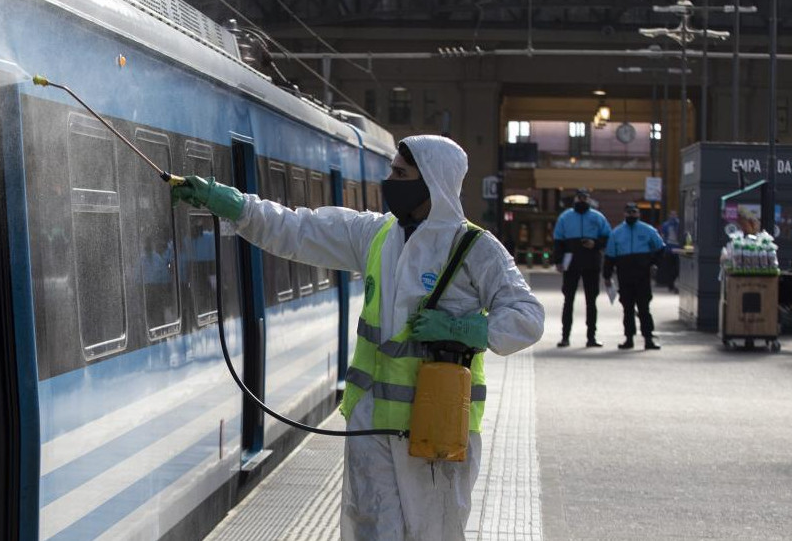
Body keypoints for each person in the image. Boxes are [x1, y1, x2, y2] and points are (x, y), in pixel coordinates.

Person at [172, 135, 544, 540]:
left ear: (433, 181)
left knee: (433, 534)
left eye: (400, 173)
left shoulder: (476, 249)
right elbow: (298, 229)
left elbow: (528, 317)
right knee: (369, 531)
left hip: (437, 435)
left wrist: (465, 329)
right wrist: (231, 204)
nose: (390, 180)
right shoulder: (377, 235)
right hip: (370, 430)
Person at [552, 189, 611, 348]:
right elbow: (558, 241)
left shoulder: (598, 217)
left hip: (591, 262)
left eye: (585, 197)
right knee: (568, 300)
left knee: (591, 301)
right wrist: (558, 261)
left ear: (589, 199)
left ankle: (591, 337)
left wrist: (595, 244)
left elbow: (607, 238)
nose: (582, 200)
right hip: (571, 263)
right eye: (580, 197)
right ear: (575, 199)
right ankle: (565, 337)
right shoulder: (565, 217)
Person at [604, 203, 665, 350]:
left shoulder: (648, 230)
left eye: (634, 212)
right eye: (629, 212)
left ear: (638, 214)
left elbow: (660, 248)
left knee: (644, 308)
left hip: (642, 275)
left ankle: (648, 339)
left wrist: (652, 263)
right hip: (624, 274)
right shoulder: (616, 233)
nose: (631, 215)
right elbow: (610, 256)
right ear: (624, 214)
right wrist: (607, 275)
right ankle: (629, 339)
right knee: (628, 309)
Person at [658, 210, 681, 292]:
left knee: (676, 268)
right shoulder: (666, 225)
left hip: (677, 248)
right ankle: (670, 284)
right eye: (672, 214)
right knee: (670, 267)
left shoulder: (679, 224)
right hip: (669, 248)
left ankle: (672, 283)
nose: (673, 216)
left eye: (674, 214)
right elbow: (663, 236)